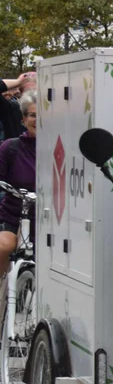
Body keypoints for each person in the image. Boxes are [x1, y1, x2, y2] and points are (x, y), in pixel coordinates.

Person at [0, 91, 36, 280]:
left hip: (51, 223)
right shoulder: (11, 148)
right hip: (14, 218)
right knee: (3, 245)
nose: (37, 120)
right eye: (32, 115)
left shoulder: (61, 150)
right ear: (23, 119)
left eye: (43, 116)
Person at [0, 72, 36, 140]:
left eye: (36, 91)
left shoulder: (51, 112)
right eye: (28, 92)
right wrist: (18, 81)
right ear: (21, 93)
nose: (33, 95)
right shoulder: (10, 109)